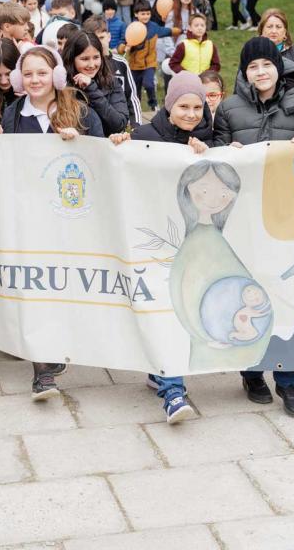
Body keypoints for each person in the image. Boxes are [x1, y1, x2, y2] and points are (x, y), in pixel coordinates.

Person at [0, 45, 103, 400]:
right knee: (34, 289)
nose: (35, 80)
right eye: (28, 74)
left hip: (71, 219)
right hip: (29, 217)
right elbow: (4, 164)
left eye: (42, 73)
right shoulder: (13, 114)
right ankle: (43, 371)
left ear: (56, 75)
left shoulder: (80, 110)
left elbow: (104, 157)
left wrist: (81, 144)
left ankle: (63, 345)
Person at [212, 37, 294, 416]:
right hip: (243, 219)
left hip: (285, 218)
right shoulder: (228, 109)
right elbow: (215, 161)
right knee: (249, 293)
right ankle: (252, 372)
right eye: (253, 66)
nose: (260, 72)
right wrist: (227, 153)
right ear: (245, 72)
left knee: (285, 294)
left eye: (267, 65)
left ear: (279, 67)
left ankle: (287, 378)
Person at [111, 72, 217, 423]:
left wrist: (214, 153)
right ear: (169, 105)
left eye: (198, 107)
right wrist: (119, 144)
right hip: (151, 238)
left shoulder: (206, 138)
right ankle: (173, 392)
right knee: (164, 309)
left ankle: (163, 375)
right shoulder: (144, 136)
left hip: (188, 241)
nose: (191, 114)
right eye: (184, 106)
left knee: (178, 310)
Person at [61, 30, 130, 135]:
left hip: (105, 143)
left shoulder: (110, 82)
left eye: (96, 57)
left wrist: (92, 89)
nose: (92, 65)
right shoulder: (62, 85)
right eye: (85, 59)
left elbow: (119, 124)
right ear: (71, 59)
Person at [83, 15, 140, 127]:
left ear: (109, 36)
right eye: (94, 39)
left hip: (120, 122)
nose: (98, 43)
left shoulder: (121, 63)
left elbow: (132, 97)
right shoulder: (86, 66)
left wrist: (136, 126)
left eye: (101, 37)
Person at [118, 0, 173, 112]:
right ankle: (135, 108)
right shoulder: (131, 28)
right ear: (136, 14)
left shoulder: (153, 27)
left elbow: (167, 31)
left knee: (149, 84)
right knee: (135, 89)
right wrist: (125, 47)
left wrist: (182, 31)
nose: (146, 16)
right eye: (143, 14)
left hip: (149, 63)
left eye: (148, 13)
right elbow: (121, 45)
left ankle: (153, 104)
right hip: (135, 65)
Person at [257, 9, 294, 97]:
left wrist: (293, 88)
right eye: (269, 27)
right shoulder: (252, 52)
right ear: (262, 31)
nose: (274, 31)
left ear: (285, 32)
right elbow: (242, 84)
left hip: (291, 100)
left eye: (278, 27)